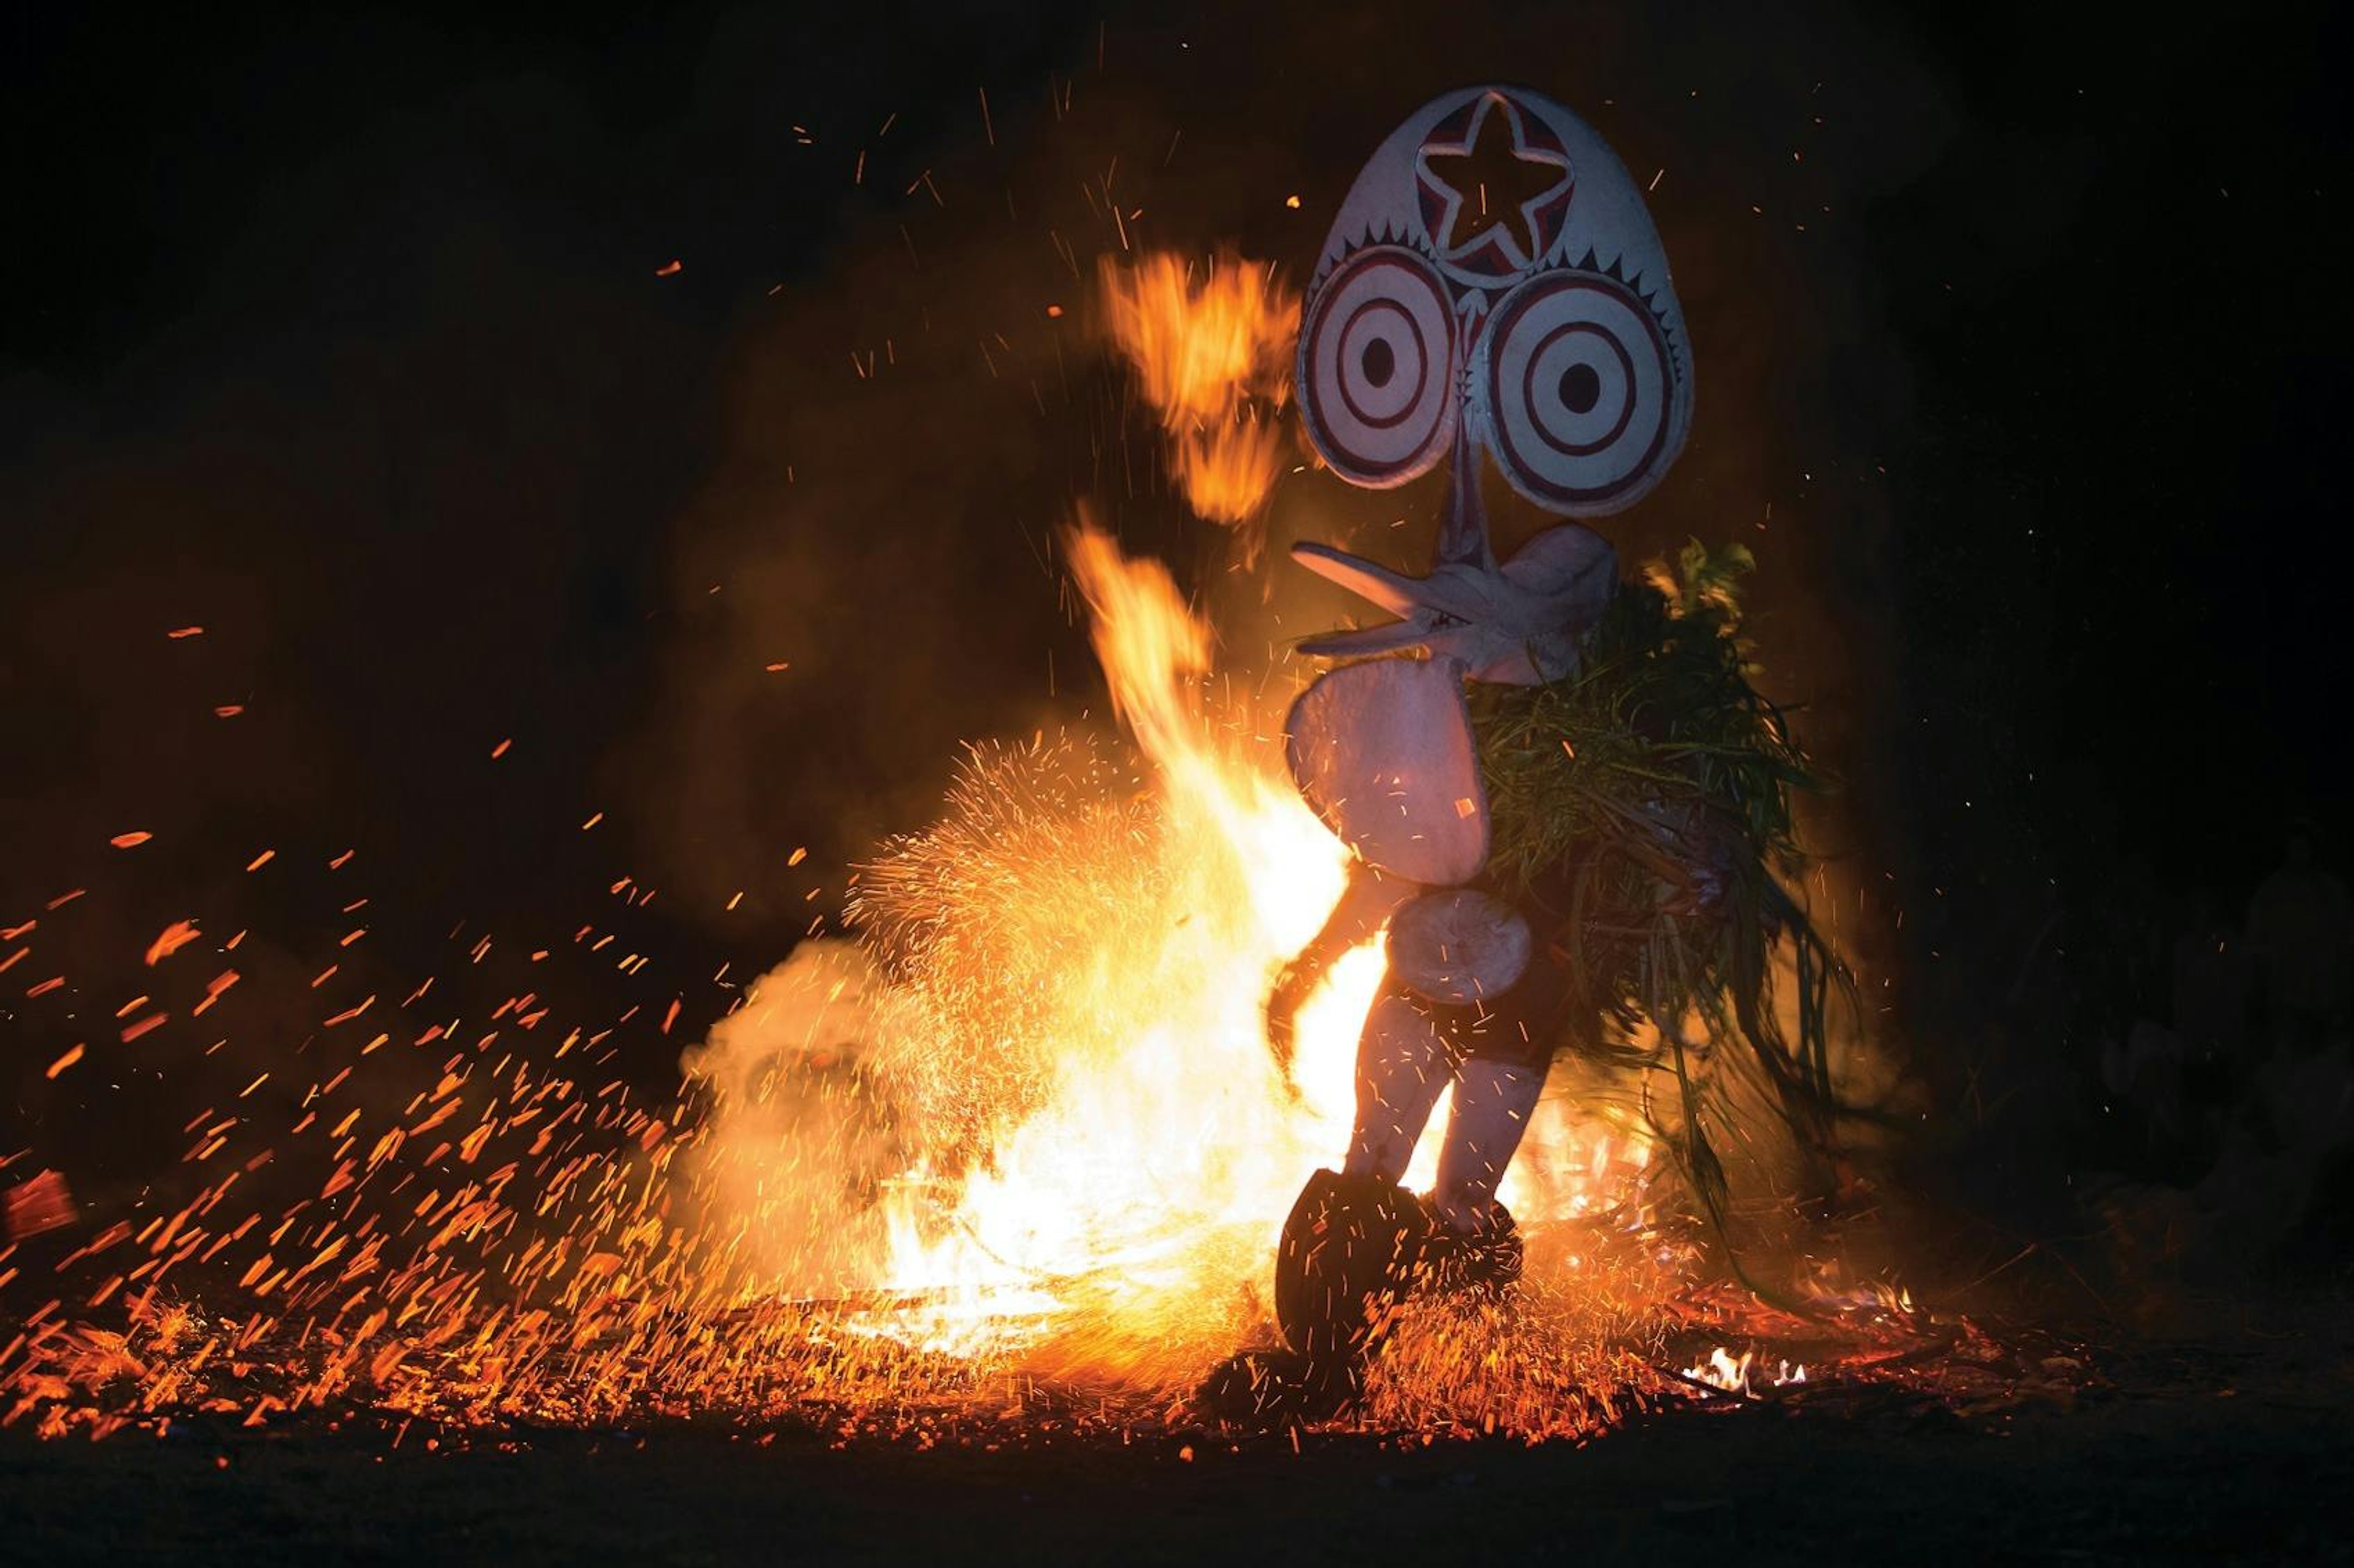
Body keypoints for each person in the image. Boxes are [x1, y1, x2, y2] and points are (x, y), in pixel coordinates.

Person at [2245, 820, 2352, 1052]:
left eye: (2304, 847)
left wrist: (2343, 991)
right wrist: (2260, 990)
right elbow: (2257, 945)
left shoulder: (2331, 891)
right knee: (2288, 1069)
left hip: (2324, 998)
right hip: (2285, 999)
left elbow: (2345, 942)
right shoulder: (2270, 892)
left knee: (2325, 1068)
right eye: (2294, 848)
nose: (2299, 854)